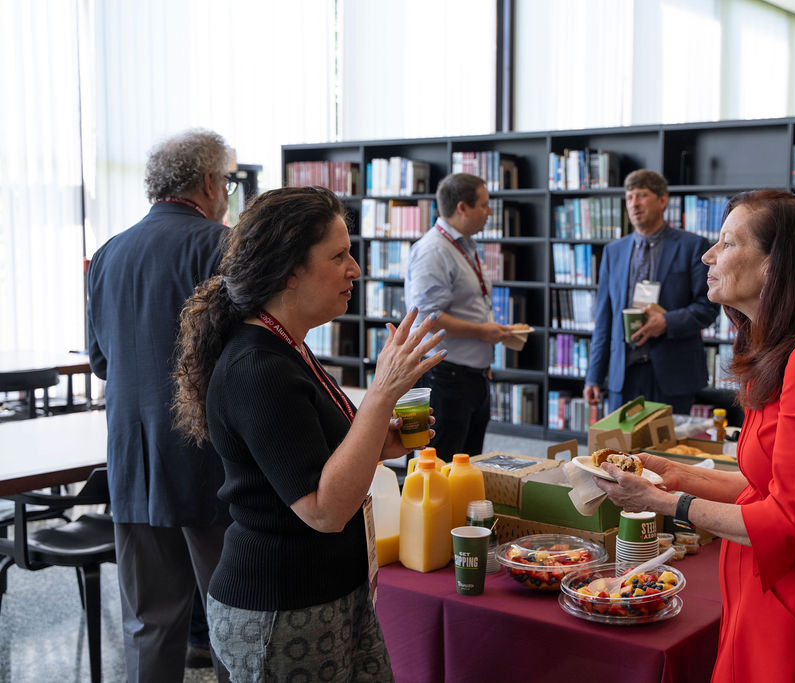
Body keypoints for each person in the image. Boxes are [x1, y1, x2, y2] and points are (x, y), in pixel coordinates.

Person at [593, 190, 795, 681]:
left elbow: (790, 523)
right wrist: (677, 475)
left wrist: (666, 504)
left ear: (776, 268)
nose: (708, 255)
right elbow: (770, 486)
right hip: (764, 593)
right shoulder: (783, 353)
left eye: (728, 243)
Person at [173, 186, 444, 681]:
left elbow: (316, 459)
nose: (355, 270)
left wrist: (372, 441)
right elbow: (322, 509)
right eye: (338, 256)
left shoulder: (287, 346)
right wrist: (381, 393)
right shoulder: (257, 366)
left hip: (331, 589)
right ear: (290, 269)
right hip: (282, 607)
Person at [87, 128, 234, 682]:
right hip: (207, 460)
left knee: (148, 624)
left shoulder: (107, 253)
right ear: (209, 182)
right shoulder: (220, 246)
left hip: (131, 458)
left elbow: (102, 360)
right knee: (230, 618)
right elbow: (244, 359)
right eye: (228, 180)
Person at [584, 169, 719, 414]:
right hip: (623, 376)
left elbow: (707, 308)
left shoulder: (692, 246)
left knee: (666, 452)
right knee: (620, 450)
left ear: (663, 200)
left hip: (672, 374)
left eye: (642, 195)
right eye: (629, 197)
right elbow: (604, 318)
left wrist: (666, 322)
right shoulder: (614, 252)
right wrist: (593, 376)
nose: (634, 203)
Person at [404, 172, 516, 461]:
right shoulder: (433, 250)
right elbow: (427, 316)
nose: (489, 212)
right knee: (440, 467)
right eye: (484, 204)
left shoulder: (465, 245)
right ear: (462, 208)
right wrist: (482, 333)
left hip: (472, 376)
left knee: (467, 465)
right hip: (445, 378)